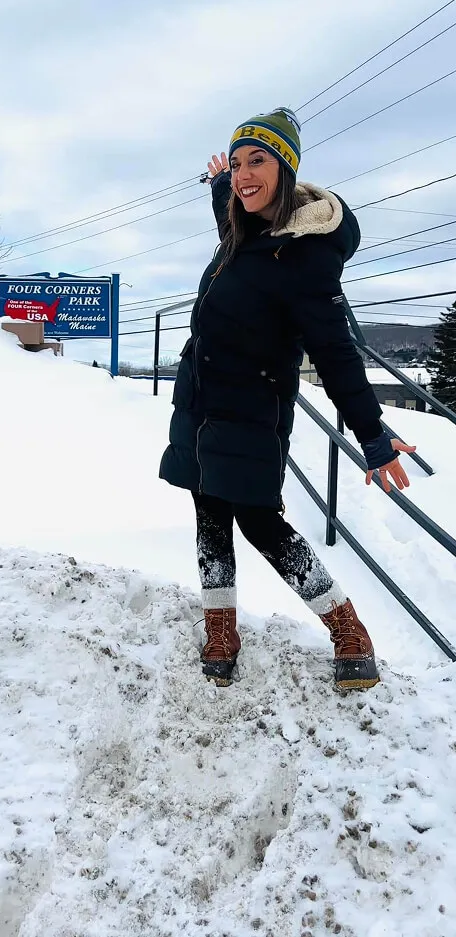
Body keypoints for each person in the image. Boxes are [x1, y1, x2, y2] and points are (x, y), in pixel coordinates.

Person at [159, 107, 416, 691]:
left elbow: (335, 349)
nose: (246, 174)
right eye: (241, 161)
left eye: (259, 162)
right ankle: (220, 626)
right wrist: (226, 183)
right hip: (201, 403)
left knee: (260, 522)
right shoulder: (243, 230)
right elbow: (239, 232)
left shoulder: (305, 254)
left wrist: (372, 434)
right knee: (208, 514)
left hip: (251, 410)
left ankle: (348, 630)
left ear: (286, 168)